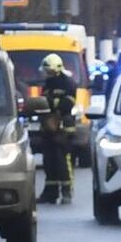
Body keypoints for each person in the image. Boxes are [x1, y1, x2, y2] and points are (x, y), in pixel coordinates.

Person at [35, 53, 79, 205]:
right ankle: (50, 193)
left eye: (48, 70)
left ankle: (67, 192)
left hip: (63, 129)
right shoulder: (48, 83)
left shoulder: (68, 83)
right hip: (49, 127)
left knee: (63, 160)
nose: (46, 73)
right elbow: (44, 101)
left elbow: (68, 103)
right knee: (49, 161)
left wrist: (57, 113)